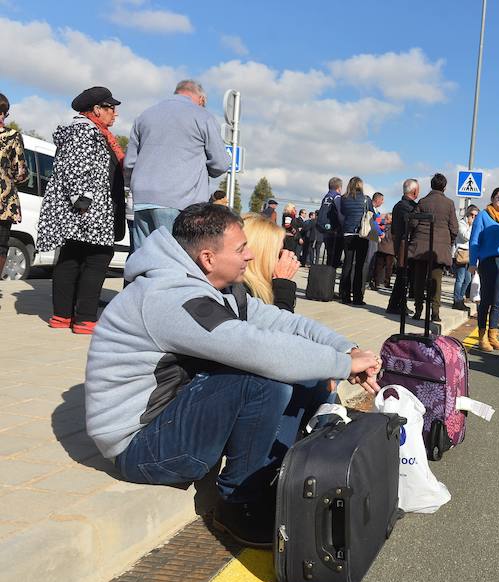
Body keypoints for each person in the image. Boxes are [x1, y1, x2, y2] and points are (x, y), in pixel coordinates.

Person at [85, 203, 381, 548]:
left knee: (308, 369)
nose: (251, 255)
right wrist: (343, 366)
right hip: (140, 449)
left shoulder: (216, 287)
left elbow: (285, 324)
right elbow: (260, 350)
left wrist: (346, 351)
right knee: (264, 378)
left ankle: (277, 473)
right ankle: (238, 503)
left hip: (170, 418)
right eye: (241, 249)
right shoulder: (168, 298)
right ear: (208, 258)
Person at [36, 86, 126, 334]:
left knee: (72, 256)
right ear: (96, 109)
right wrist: (83, 203)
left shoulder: (90, 131)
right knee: (97, 258)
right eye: (111, 108)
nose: (115, 114)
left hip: (85, 207)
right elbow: (78, 168)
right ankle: (84, 319)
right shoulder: (84, 131)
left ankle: (62, 316)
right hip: (87, 208)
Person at [125, 80, 229, 253]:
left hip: (142, 199)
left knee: (142, 260)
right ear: (201, 99)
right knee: (175, 260)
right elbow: (221, 163)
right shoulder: (202, 117)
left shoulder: (145, 115)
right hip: (181, 201)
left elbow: (129, 163)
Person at [469, 187, 499, 352]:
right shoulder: (483, 215)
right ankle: (482, 336)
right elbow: (474, 239)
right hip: (488, 261)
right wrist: (472, 262)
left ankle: (493, 336)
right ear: (492, 197)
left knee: (498, 301)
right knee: (486, 299)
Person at [408, 174, 458, 323]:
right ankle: (435, 313)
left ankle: (418, 311)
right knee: (436, 281)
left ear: (431, 185)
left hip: (420, 247)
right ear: (444, 186)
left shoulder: (422, 202)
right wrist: (447, 242)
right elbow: (454, 228)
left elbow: (413, 223)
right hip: (438, 250)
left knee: (419, 280)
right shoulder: (449, 204)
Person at [242, 213, 300, 312]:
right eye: (278, 253)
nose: (280, 259)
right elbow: (281, 324)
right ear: (262, 254)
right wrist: (282, 283)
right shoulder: (243, 294)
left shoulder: (252, 285)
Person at [0, 92, 28, 278]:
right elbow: (21, 173)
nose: (2, 116)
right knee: (0, 247)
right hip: (3, 202)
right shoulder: (12, 136)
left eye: (5, 113)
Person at [386, 178, 419, 315]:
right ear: (415, 191)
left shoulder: (397, 205)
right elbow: (413, 225)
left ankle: (397, 304)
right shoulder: (410, 207)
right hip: (405, 244)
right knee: (402, 276)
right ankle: (395, 305)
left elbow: (393, 229)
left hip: (400, 243)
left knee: (402, 276)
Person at [337, 176, 372, 306]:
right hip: (361, 235)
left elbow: (343, 213)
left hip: (347, 233)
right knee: (359, 266)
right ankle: (357, 296)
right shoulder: (366, 199)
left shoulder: (343, 199)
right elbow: (371, 215)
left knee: (347, 264)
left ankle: (344, 295)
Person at [452, 204, 479, 311]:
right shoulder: (461, 223)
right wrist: (471, 225)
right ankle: (456, 301)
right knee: (460, 278)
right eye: (472, 215)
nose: (474, 217)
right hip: (461, 254)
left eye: (476, 216)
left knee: (467, 279)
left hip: (470, 255)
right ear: (468, 214)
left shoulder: (474, 225)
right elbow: (466, 236)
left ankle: (460, 298)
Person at [316, 177, 343, 268]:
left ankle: (326, 275)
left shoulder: (326, 197)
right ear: (339, 187)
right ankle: (330, 277)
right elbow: (340, 213)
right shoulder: (337, 197)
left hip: (325, 229)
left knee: (329, 254)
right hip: (334, 230)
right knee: (334, 257)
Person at [373, 212, 395, 289]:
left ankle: (377, 282)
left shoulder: (381, 225)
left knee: (379, 266)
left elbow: (375, 223)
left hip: (381, 248)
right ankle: (386, 282)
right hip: (391, 249)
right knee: (389, 267)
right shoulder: (395, 227)